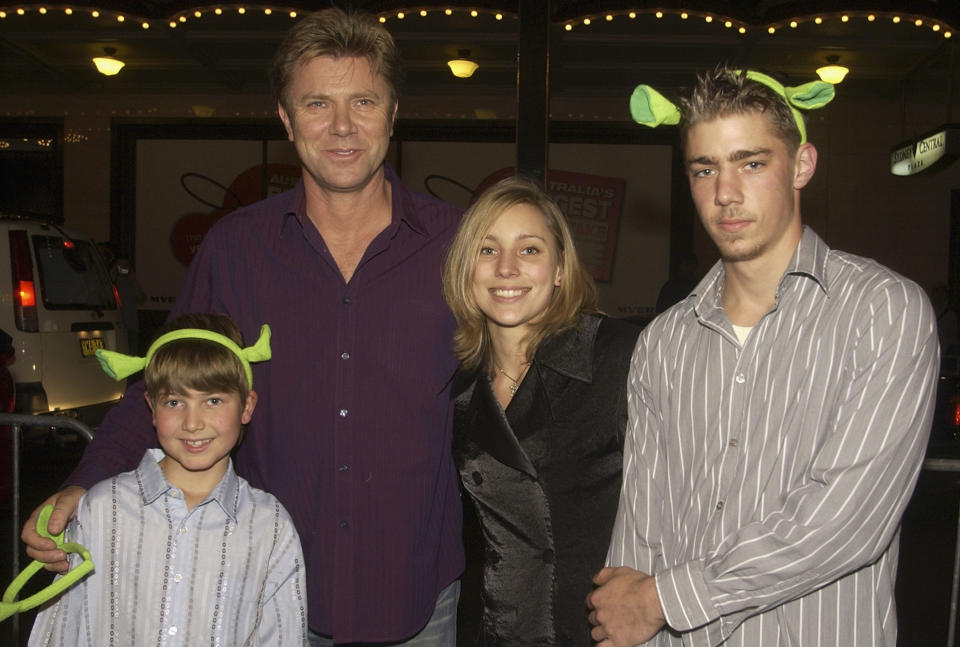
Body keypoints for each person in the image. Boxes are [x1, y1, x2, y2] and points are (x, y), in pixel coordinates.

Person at [23, 9, 464, 646]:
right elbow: (163, 383)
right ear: (286, 120)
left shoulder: (457, 243)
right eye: (317, 104)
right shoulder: (236, 248)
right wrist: (80, 484)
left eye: (363, 101)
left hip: (416, 589)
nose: (342, 127)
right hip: (262, 589)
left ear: (393, 113)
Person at [587, 67, 939, 646]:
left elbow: (846, 521)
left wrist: (664, 600)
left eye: (751, 162)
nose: (726, 193)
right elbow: (640, 530)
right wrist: (633, 617)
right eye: (705, 169)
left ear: (802, 165)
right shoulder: (664, 341)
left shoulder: (883, 311)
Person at [28, 313, 307, 646]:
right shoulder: (102, 510)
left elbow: (282, 635)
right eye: (174, 402)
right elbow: (63, 629)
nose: (192, 423)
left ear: (246, 406)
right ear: (151, 406)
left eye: (213, 400)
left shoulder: (270, 525)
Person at [442, 176, 640, 645]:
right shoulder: (456, 386)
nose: (507, 268)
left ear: (559, 269)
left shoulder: (618, 356)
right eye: (488, 251)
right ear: (466, 270)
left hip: (597, 628)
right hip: (494, 628)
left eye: (529, 249)